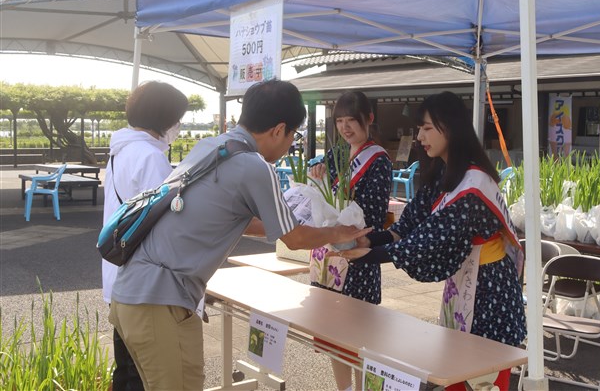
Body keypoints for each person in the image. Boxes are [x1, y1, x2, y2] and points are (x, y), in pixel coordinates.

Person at [108, 79, 371, 391]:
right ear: (279, 129)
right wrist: (337, 232)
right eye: (292, 136)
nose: (290, 145)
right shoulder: (253, 165)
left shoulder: (211, 147)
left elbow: (239, 221)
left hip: (129, 293)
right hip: (160, 300)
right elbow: (295, 238)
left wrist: (312, 230)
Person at [335, 91, 526, 391]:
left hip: (490, 290)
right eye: (419, 129)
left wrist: (370, 255)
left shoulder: (473, 182)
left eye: (426, 128)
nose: (420, 136)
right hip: (466, 281)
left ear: (449, 128)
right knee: (454, 370)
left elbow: (430, 238)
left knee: (482, 376)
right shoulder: (443, 171)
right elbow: (411, 223)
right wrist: (371, 241)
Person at [102, 81, 188, 391]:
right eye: (178, 118)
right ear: (165, 118)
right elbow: (166, 221)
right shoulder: (151, 157)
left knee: (124, 369)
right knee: (144, 375)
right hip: (144, 283)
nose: (178, 125)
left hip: (118, 274)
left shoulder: (120, 152)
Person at [308, 91, 392, 391]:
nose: (345, 128)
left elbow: (374, 214)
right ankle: (343, 388)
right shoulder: (337, 154)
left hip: (357, 254)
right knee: (334, 334)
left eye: (352, 121)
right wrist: (316, 174)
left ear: (368, 119)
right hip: (329, 253)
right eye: (340, 121)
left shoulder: (378, 160)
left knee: (360, 333)